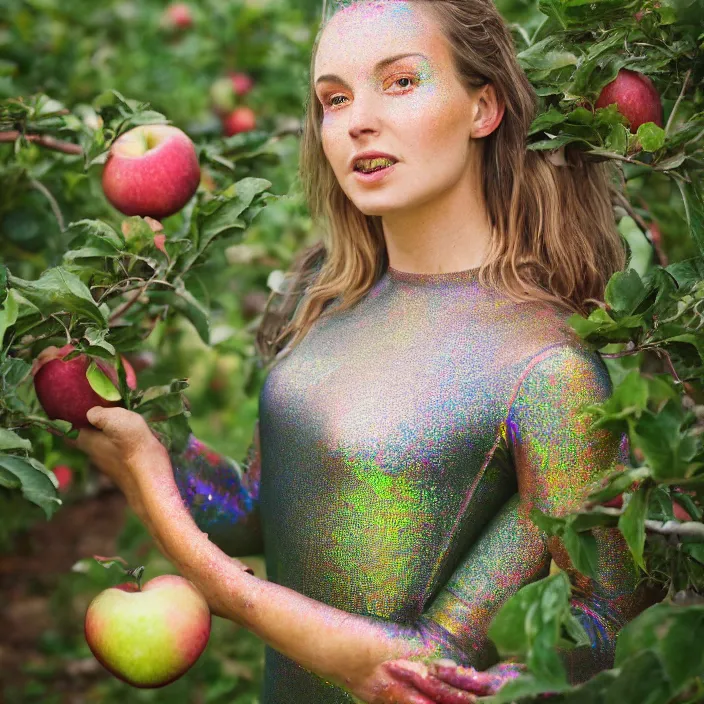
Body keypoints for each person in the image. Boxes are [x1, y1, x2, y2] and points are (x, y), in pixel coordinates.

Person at [75, 1, 654, 702]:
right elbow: (256, 509)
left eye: (401, 82)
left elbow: (610, 624)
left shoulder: (545, 365)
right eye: (334, 99)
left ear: (484, 108)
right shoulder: (327, 300)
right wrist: (138, 430)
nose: (357, 121)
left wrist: (500, 684)